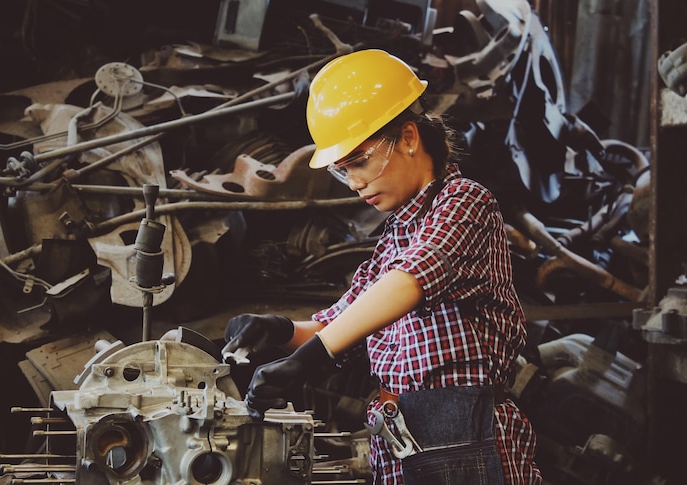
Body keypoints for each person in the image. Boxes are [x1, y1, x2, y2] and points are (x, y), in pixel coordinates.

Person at [222, 49, 542, 485]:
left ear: (409, 138)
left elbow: (411, 280)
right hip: (401, 436)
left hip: (463, 437)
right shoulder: (393, 239)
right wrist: (277, 330)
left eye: (360, 161)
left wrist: (309, 359)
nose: (354, 183)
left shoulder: (465, 202)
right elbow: (342, 324)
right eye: (342, 171)